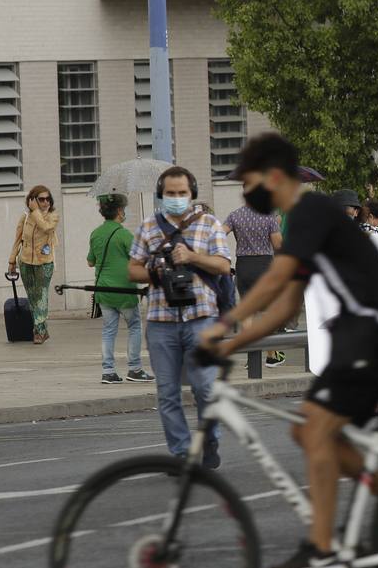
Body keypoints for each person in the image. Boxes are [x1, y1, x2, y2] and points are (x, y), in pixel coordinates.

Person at [201, 133, 378, 568]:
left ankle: (323, 547)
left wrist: (223, 325)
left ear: (274, 176)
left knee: (314, 431)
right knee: (310, 435)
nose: (245, 191)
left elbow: (275, 280)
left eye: (249, 180)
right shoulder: (305, 224)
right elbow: (285, 308)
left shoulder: (313, 211)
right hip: (357, 337)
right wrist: (233, 344)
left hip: (375, 336)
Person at [127, 166, 234, 469]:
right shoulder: (148, 227)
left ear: (192, 194)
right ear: (161, 195)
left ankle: (210, 438)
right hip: (161, 322)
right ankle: (182, 453)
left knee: (205, 387)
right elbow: (132, 269)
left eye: (181, 193)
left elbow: (224, 266)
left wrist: (192, 257)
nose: (176, 198)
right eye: (170, 194)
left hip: (201, 318)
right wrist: (153, 272)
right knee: (168, 393)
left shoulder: (209, 224)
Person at [88, 194, 152, 384]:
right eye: (123, 209)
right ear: (118, 211)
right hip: (125, 290)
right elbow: (139, 259)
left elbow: (90, 261)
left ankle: (108, 371)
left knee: (108, 330)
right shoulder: (124, 234)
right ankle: (135, 368)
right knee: (134, 326)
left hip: (103, 290)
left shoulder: (95, 233)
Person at [223, 193, 286, 367]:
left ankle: (253, 357)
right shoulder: (269, 216)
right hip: (264, 264)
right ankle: (272, 355)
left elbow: (220, 233)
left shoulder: (235, 215)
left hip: (243, 265)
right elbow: (278, 245)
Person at [7, 184, 60, 344]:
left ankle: (38, 331)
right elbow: (17, 240)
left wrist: (36, 211)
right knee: (32, 297)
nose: (46, 202)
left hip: (44, 263)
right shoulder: (25, 217)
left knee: (41, 296)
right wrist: (12, 261)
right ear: (32, 200)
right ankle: (42, 331)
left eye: (47, 199)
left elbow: (46, 228)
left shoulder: (53, 216)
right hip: (25, 262)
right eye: (41, 199)